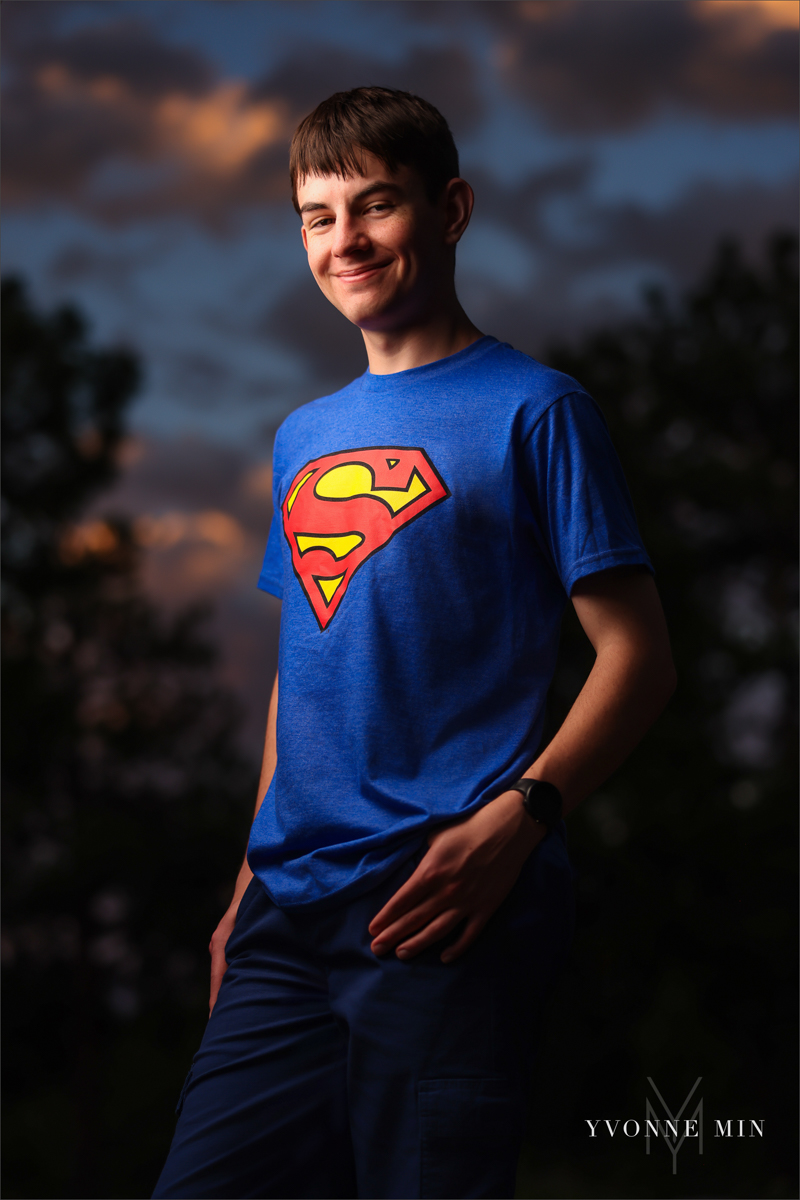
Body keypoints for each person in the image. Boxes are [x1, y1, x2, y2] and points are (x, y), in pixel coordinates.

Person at [152, 87, 676, 1200]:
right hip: (285, 916)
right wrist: (247, 876)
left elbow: (637, 658)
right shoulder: (304, 436)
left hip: (443, 898)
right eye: (315, 215)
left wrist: (521, 819)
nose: (344, 240)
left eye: (374, 205)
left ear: (451, 209)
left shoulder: (534, 410)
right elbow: (306, 667)